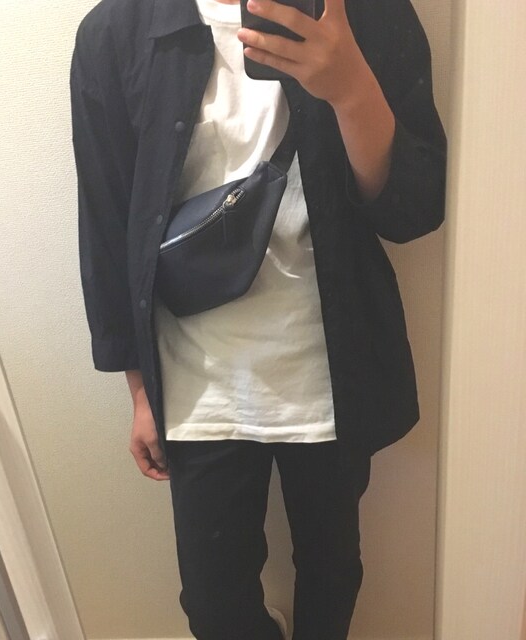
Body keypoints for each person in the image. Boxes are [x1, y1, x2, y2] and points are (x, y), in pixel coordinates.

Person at [70, 0, 446, 638]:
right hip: (195, 381)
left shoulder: (368, 12)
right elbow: (108, 227)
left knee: (332, 573)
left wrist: (351, 89)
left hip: (331, 372)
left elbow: (414, 209)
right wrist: (138, 390)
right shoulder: (118, 32)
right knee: (213, 607)